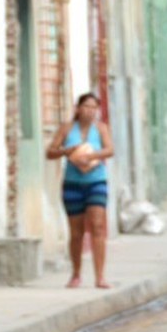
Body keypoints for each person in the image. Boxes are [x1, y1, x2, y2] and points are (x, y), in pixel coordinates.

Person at [46, 93, 115, 289]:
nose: (90, 111)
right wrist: (67, 151)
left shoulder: (100, 129)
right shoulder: (67, 129)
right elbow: (50, 152)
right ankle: (76, 273)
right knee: (76, 232)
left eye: (94, 108)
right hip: (73, 183)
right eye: (86, 106)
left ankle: (100, 276)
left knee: (98, 226)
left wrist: (92, 155)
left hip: (96, 180)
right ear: (78, 108)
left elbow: (110, 149)